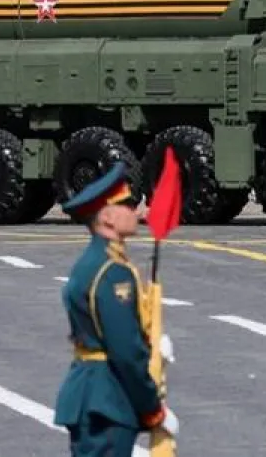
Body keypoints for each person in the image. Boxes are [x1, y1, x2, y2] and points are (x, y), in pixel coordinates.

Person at [53, 161, 178, 457]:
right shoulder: (112, 272)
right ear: (107, 217)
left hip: (93, 394)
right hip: (107, 400)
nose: (135, 211)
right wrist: (153, 408)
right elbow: (125, 350)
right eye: (127, 204)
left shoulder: (93, 262)